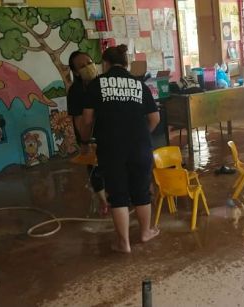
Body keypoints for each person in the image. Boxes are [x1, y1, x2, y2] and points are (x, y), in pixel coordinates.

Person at [80, 45, 161, 253]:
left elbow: (88, 119)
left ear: (105, 64)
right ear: (126, 63)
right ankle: (145, 233)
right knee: (142, 191)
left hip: (111, 146)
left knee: (118, 195)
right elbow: (154, 118)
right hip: (139, 145)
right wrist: (143, 136)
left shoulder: (96, 84)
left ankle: (123, 243)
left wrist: (86, 139)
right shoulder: (139, 84)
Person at [67, 51, 110, 215]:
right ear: (76, 72)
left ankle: (115, 197)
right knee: (95, 169)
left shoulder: (103, 83)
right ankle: (103, 202)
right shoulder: (76, 92)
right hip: (88, 136)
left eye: (90, 62)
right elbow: (79, 121)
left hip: (107, 132)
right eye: (82, 66)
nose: (88, 67)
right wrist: (85, 142)